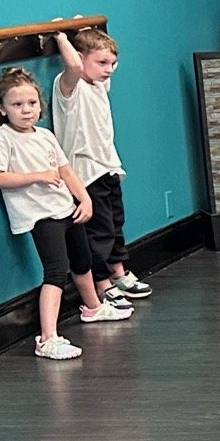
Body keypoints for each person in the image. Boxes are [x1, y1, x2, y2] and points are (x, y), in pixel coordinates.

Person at [0, 67, 133, 361]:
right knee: (55, 272)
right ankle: (47, 337)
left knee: (83, 261)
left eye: (31, 103)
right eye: (17, 105)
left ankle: (92, 306)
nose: (26, 110)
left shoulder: (46, 136)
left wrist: (85, 199)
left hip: (66, 208)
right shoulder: (2, 138)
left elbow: (66, 171)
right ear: (1, 109)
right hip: (41, 216)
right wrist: (37, 176)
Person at [52, 28, 151, 308]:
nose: (109, 70)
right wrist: (62, 38)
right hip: (85, 173)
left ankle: (118, 272)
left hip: (108, 166)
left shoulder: (98, 84)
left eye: (112, 64)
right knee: (99, 231)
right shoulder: (68, 86)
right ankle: (102, 283)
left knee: (115, 223)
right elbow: (72, 64)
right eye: (102, 63)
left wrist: (86, 31)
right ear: (80, 58)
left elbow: (90, 61)